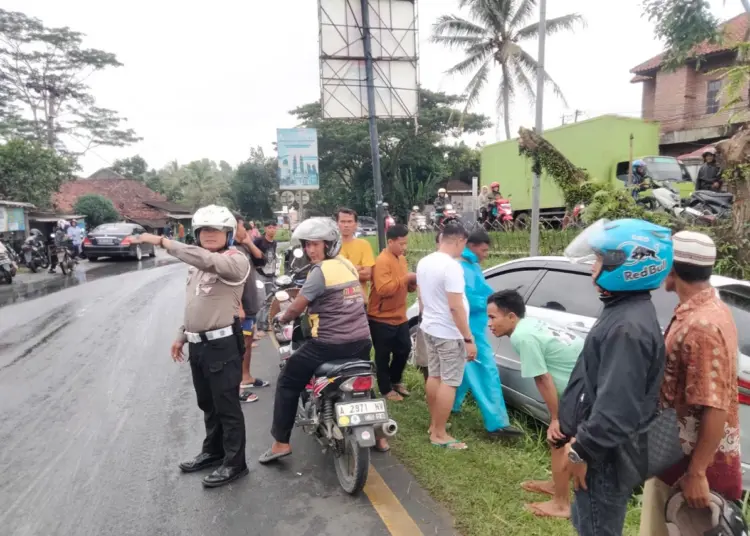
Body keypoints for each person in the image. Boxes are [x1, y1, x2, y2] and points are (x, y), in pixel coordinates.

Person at [558, 218, 673, 536]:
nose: (592, 268)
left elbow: (616, 411)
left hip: (604, 459)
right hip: (602, 453)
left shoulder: (627, 327)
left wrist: (582, 450)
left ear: (627, 265)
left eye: (599, 259)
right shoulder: (623, 310)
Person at [132, 205, 251, 488]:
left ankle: (235, 463)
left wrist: (162, 241)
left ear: (229, 234)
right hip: (199, 346)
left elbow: (209, 260)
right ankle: (213, 452)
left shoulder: (236, 260)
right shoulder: (196, 265)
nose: (210, 235)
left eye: (217, 230)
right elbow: (193, 304)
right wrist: (181, 335)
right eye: (204, 230)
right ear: (197, 233)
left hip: (222, 345)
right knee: (208, 403)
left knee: (227, 406)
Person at [639, 231, 741, 536]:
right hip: (675, 462)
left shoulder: (702, 326)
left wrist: (696, 472)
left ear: (672, 268)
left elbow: (715, 406)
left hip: (692, 474)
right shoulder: (706, 309)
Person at [258, 217, 372, 464]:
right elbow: (362, 301)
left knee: (288, 381)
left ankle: (280, 444)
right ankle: (380, 437)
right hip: (362, 340)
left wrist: (281, 317)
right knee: (364, 379)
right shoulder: (347, 265)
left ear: (329, 244)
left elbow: (297, 307)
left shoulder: (320, 271)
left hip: (329, 345)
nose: (310, 250)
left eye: (316, 245)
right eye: (307, 245)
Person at [487, 289, 583, 519]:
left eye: (492, 317)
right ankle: (555, 485)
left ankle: (561, 504)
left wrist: (555, 418)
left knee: (558, 437)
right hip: (583, 382)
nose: (489, 324)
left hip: (583, 389)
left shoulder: (523, 336)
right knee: (558, 439)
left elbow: (543, 378)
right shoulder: (530, 324)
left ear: (511, 316)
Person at [451, 230, 522, 440]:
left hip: (476, 326)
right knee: (486, 371)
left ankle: (450, 405)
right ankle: (497, 424)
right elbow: (468, 300)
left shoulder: (471, 266)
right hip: (470, 328)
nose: (486, 253)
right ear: (471, 246)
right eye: (483, 249)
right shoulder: (460, 268)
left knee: (465, 370)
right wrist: (493, 305)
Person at [417, 224, 477, 450]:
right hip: (448, 333)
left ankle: (435, 424)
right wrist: (468, 339)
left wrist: (426, 318)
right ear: (460, 240)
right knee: (450, 382)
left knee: (435, 376)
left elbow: (422, 297)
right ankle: (439, 434)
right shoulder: (451, 267)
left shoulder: (425, 261)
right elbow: (455, 307)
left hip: (430, 328)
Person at [368, 224, 417, 402]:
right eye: (401, 244)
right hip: (380, 317)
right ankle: (385, 388)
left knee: (404, 349)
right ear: (390, 242)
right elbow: (383, 289)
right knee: (382, 354)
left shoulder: (401, 259)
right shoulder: (382, 260)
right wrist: (406, 278)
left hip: (399, 315)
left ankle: (395, 380)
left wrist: (411, 284)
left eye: (406, 244)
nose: (404, 247)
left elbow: (402, 284)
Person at [233, 215, 268, 403]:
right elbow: (229, 281)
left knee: (247, 342)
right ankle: (236, 388)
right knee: (237, 346)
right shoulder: (229, 250)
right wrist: (238, 305)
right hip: (240, 307)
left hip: (249, 303)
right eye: (241, 227)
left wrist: (248, 242)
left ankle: (246, 377)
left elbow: (262, 260)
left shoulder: (244, 246)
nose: (244, 230)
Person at [336, 208, 376, 299]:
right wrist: (356, 268)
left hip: (359, 299)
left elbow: (367, 275)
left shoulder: (364, 245)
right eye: (342, 221)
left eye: (349, 222)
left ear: (356, 225)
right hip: (337, 300)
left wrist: (342, 271)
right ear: (337, 224)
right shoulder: (331, 247)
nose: (346, 225)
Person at [250, 221, 279, 332]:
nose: (272, 229)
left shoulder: (274, 243)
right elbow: (251, 253)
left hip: (271, 274)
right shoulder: (258, 241)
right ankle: (258, 327)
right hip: (259, 273)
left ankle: (266, 324)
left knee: (270, 300)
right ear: (265, 229)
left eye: (274, 227)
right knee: (261, 299)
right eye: (269, 227)